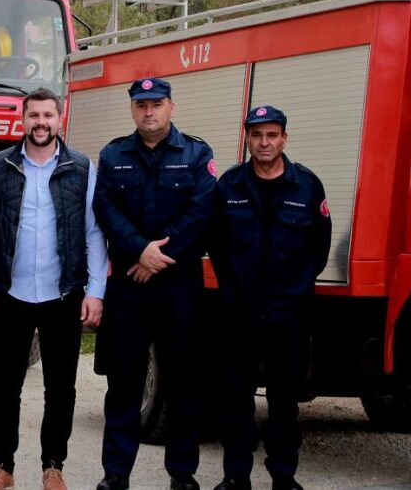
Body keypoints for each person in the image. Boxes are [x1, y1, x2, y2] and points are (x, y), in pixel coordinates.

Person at [0, 87, 107, 490]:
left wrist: (95, 290)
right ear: (22, 119)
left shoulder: (81, 167)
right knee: (5, 386)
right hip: (11, 294)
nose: (41, 123)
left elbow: (93, 232)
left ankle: (53, 466)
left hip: (62, 294)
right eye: (34, 115)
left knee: (61, 387)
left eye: (48, 115)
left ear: (59, 119)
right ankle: (2, 466)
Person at [92, 77, 214, 490]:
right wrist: (139, 250)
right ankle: (116, 473)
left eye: (157, 104)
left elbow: (201, 212)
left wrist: (155, 257)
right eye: (141, 104)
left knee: (182, 380)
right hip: (129, 285)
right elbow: (105, 209)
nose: (149, 111)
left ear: (171, 107)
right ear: (132, 110)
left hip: (178, 286)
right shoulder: (113, 155)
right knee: (124, 382)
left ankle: (182, 474)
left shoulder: (197, 153)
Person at [208, 106, 331, 490]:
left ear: (284, 139)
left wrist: (294, 292)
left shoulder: (307, 187)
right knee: (236, 398)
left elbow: (318, 249)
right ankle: (235, 475)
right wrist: (234, 289)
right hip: (239, 314)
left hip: (288, 317)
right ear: (247, 138)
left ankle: (284, 476)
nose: (265, 142)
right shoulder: (229, 186)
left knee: (284, 401)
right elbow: (217, 246)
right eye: (257, 135)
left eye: (272, 135)